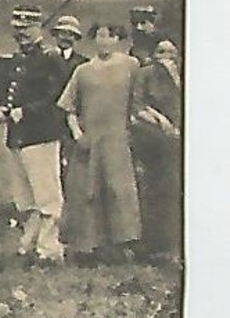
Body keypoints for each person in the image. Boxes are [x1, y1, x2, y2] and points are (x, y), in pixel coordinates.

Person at [58, 23, 143, 264]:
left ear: (118, 39)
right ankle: (87, 247)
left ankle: (122, 245)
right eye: (100, 36)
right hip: (90, 139)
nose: (105, 41)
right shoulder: (83, 70)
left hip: (118, 136)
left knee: (119, 189)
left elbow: (138, 103)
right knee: (86, 190)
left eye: (110, 36)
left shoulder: (130, 65)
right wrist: (77, 133)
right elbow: (69, 108)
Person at [0, 5, 69, 263]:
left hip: (41, 133)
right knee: (24, 194)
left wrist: (26, 111)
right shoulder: (17, 59)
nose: (22, 34)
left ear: (39, 28)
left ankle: (49, 248)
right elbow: (11, 91)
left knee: (46, 193)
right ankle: (28, 243)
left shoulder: (51, 58)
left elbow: (57, 96)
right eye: (18, 29)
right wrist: (5, 109)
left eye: (27, 28)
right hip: (18, 135)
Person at [130, 37, 182, 263]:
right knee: (153, 190)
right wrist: (161, 120)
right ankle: (152, 246)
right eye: (161, 51)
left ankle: (174, 244)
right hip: (153, 139)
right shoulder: (146, 74)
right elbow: (137, 106)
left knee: (175, 190)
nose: (166, 56)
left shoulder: (182, 75)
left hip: (179, 141)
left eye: (171, 52)